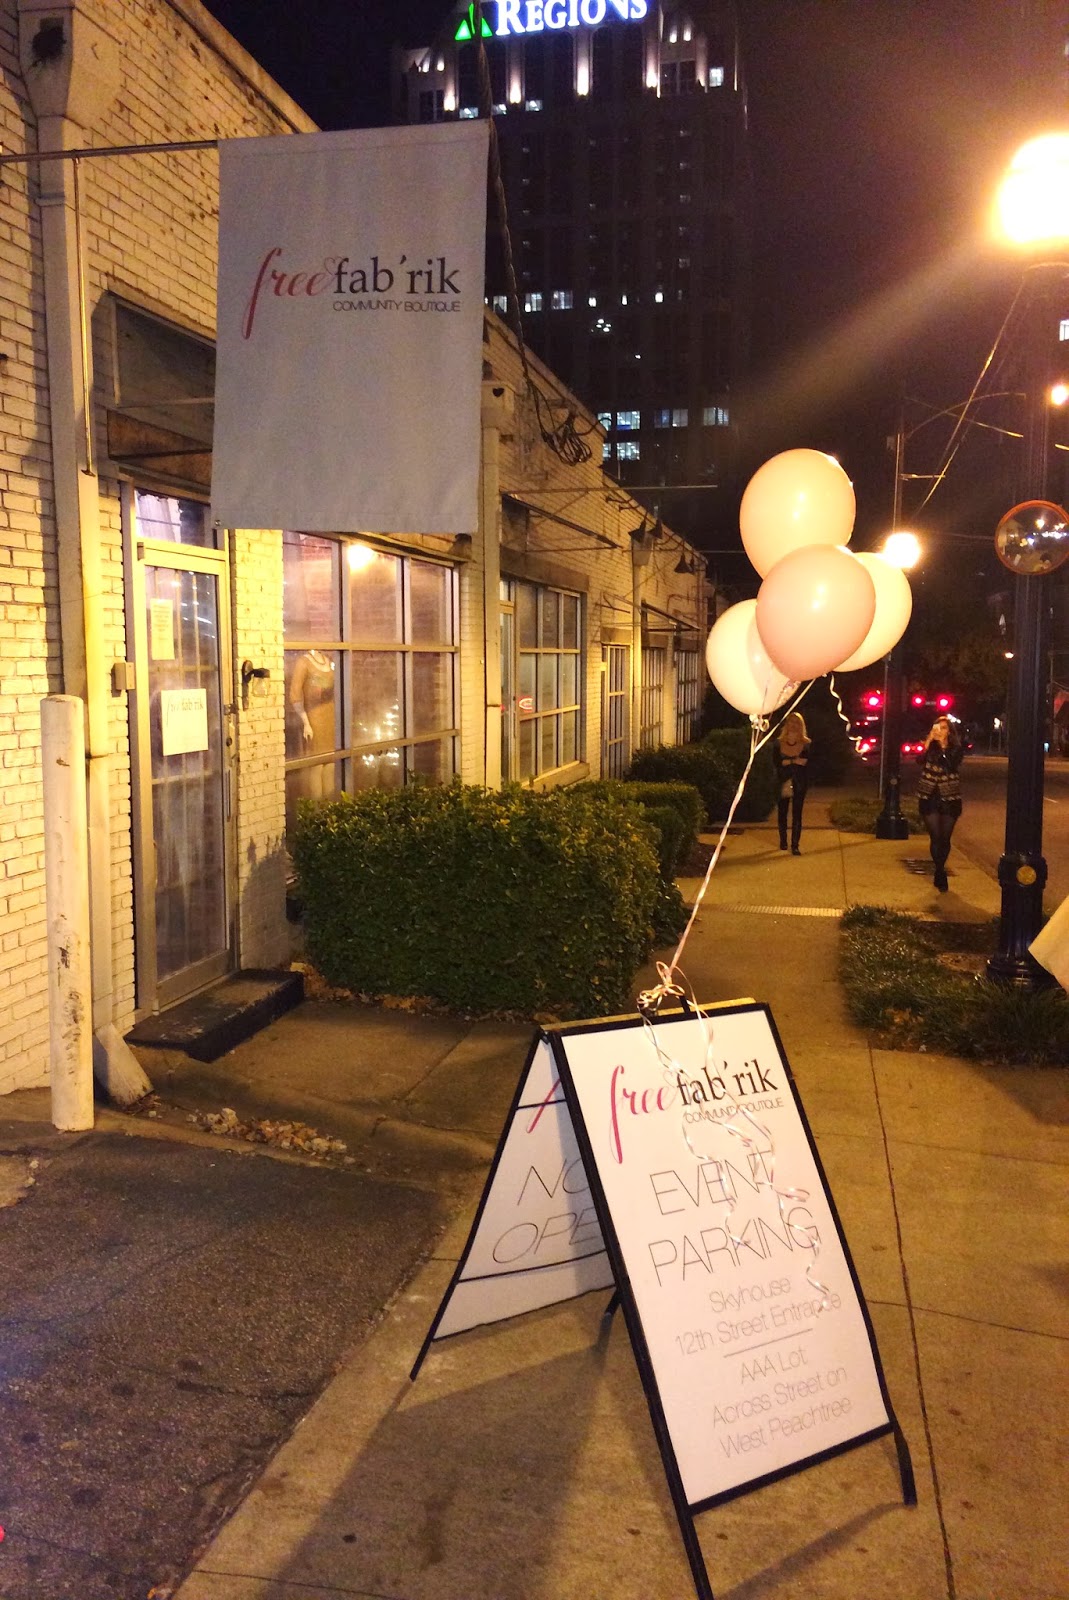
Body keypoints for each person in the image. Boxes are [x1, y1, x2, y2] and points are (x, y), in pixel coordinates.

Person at [915, 715, 963, 892]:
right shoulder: (930, 746)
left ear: (949, 731)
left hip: (950, 797)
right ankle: (940, 870)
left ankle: (940, 867)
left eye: (943, 728)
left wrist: (943, 747)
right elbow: (919, 760)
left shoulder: (956, 749)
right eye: (937, 728)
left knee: (945, 838)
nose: (940, 731)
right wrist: (929, 741)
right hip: (930, 796)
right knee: (935, 837)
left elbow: (951, 764)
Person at [774, 710, 811, 855]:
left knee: (797, 813)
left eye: (797, 722)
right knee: (782, 812)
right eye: (791, 722)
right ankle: (783, 840)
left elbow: (807, 763)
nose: (793, 725)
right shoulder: (778, 744)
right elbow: (777, 762)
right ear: (787, 724)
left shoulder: (806, 744)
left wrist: (788, 762)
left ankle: (795, 844)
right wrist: (793, 761)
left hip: (800, 782)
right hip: (783, 780)